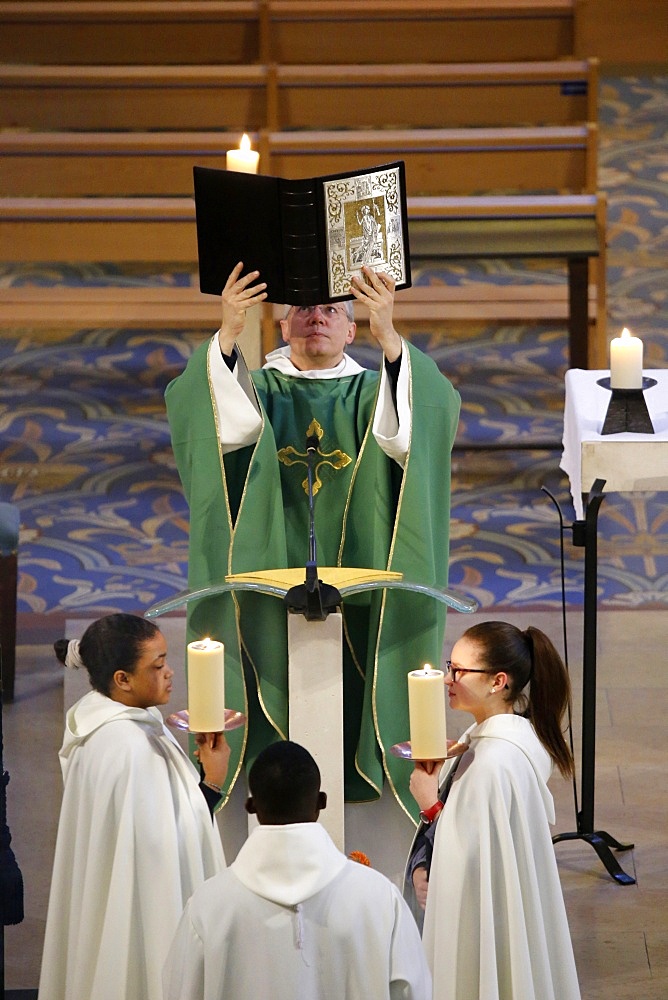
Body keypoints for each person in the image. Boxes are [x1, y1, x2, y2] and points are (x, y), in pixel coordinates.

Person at [165, 261, 461, 819]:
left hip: (361, 570)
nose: (315, 319)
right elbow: (206, 420)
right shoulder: (257, 388)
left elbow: (426, 425)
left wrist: (393, 338)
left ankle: (359, 766)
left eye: (331, 311)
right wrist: (227, 333)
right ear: (280, 326)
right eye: (302, 310)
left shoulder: (379, 388)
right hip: (269, 570)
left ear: (354, 330)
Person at [38, 614, 228, 1000]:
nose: (170, 673)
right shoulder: (127, 746)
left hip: (119, 905)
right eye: (157, 666)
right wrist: (211, 782)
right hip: (141, 915)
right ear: (122, 679)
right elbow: (164, 853)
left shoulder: (115, 720)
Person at [163, 740, 431, 1000]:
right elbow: (414, 992)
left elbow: (179, 990)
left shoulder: (208, 906)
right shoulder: (380, 900)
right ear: (321, 803)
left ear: (252, 807)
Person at [408, 621, 581, 1000]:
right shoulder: (502, 741)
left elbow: (471, 864)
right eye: (449, 667)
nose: (447, 679)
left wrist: (431, 804)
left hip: (483, 921)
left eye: (459, 670)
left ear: (497, 681)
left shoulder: (493, 763)